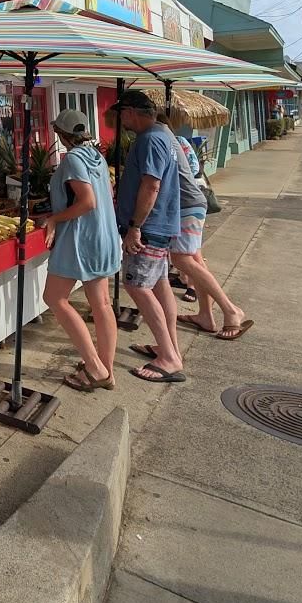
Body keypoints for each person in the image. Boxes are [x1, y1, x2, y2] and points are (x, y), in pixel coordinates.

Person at [40, 112, 121, 391]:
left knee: (54, 297)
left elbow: (87, 202)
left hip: (80, 238)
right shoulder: (96, 156)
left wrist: (54, 219)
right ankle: (104, 368)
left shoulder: (73, 159)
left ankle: (95, 367)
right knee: (101, 304)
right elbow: (106, 193)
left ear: (62, 135)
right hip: (103, 235)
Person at [110, 89, 185, 384]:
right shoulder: (163, 135)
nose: (121, 121)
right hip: (161, 224)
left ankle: (168, 357)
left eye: (122, 114)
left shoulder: (151, 139)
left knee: (137, 287)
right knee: (159, 285)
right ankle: (171, 347)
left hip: (150, 228)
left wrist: (135, 226)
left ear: (130, 112)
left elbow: (151, 186)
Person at [168, 125, 251, 341]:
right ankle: (205, 315)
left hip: (185, 205)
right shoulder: (179, 142)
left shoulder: (168, 143)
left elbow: (180, 174)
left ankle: (231, 309)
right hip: (195, 201)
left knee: (180, 258)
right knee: (196, 260)